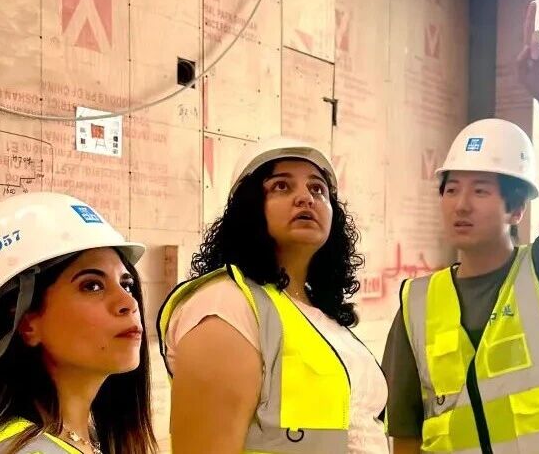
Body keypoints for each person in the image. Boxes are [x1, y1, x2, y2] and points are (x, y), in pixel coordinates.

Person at [383, 0, 539, 453]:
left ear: (515, 210)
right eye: (451, 189)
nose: (461, 204)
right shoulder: (416, 303)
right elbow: (405, 429)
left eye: (480, 190)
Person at [158, 136, 387, 453]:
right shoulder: (225, 304)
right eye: (281, 186)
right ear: (249, 207)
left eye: (317, 189)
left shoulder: (318, 314)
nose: (305, 198)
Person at [0, 192, 157, 454]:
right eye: (92, 286)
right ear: (25, 322)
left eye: (127, 284)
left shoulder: (81, 439)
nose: (129, 302)